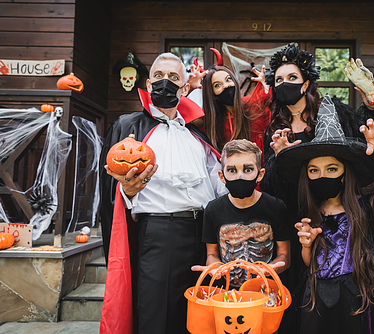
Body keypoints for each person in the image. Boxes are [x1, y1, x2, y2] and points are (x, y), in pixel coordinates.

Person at [259, 44, 374, 324]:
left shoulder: (333, 112)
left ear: (306, 83)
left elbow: (364, 142)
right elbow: (272, 187)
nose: (285, 85)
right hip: (299, 222)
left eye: (292, 78)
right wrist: (279, 158)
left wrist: (373, 103)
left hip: (338, 216)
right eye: (279, 80)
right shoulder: (273, 128)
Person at [274, 95, 374, 333]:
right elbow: (311, 263)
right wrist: (307, 246)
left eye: (331, 169)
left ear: (346, 173)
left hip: (359, 306)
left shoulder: (369, 207)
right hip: (316, 303)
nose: (322, 176)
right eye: (314, 170)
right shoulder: (308, 212)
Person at [99, 52, 227, 334]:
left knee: (198, 315)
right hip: (158, 235)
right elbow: (111, 192)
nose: (164, 82)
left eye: (173, 78)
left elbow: (219, 186)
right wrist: (127, 191)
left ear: (184, 88)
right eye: (158, 76)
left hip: (204, 236)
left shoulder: (197, 135)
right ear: (147, 83)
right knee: (156, 314)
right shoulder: (127, 127)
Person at [192, 139, 290, 286]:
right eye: (232, 170)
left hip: (266, 291)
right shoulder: (213, 210)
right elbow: (212, 254)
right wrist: (215, 267)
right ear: (221, 176)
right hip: (226, 295)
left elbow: (285, 255)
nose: (240, 177)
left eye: (248, 169)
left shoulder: (276, 207)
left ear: (260, 174)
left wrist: (270, 269)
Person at [188, 49, 271, 159]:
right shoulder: (208, 121)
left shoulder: (254, 106)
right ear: (212, 94)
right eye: (217, 85)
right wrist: (189, 88)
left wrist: (267, 85)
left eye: (228, 79)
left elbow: (274, 103)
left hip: (260, 172)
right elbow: (177, 114)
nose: (226, 85)